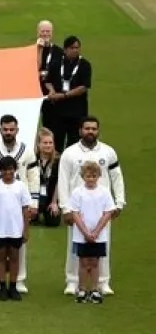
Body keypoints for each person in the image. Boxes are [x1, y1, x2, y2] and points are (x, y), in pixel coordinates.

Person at [57, 116, 125, 296]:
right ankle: (72, 281)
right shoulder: (70, 153)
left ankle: (103, 282)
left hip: (102, 208)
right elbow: (62, 181)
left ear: (98, 131)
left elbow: (117, 177)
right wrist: (65, 208)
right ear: (80, 130)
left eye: (94, 129)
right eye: (87, 128)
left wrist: (119, 202)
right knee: (75, 245)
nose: (90, 132)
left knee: (102, 244)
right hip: (77, 208)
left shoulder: (108, 152)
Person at [0, 114, 40, 294]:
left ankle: (18, 281)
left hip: (20, 201)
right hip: (0, 203)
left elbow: (34, 177)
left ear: (17, 130)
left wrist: (34, 203)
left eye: (12, 129)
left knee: (19, 246)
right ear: (0, 130)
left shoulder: (27, 151)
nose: (9, 132)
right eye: (5, 129)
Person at [0, 156, 32, 302]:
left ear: (15, 169)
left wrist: (26, 230)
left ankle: (13, 286)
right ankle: (2, 287)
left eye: (10, 169)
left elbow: (25, 209)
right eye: (4, 170)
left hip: (16, 229)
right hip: (0, 229)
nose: (7, 173)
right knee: (0, 256)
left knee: (14, 257)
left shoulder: (21, 186)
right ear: (0, 171)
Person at [67, 161, 116, 304]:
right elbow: (75, 213)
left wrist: (96, 232)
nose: (91, 179)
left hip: (98, 236)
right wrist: (85, 233)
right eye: (88, 176)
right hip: (81, 235)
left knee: (95, 262)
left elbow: (108, 213)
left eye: (94, 176)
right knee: (83, 262)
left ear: (99, 176)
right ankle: (82, 289)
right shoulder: (77, 192)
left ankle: (94, 290)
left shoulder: (104, 192)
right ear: (83, 176)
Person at [44, 36, 91, 152]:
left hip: (76, 111)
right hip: (57, 112)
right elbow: (48, 81)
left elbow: (83, 87)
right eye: (72, 48)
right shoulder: (56, 63)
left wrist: (64, 95)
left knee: (74, 143)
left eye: (77, 48)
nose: (75, 50)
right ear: (65, 49)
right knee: (56, 142)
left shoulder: (84, 65)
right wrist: (52, 91)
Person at [36, 20, 62, 130]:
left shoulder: (58, 51)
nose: (45, 34)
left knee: (50, 123)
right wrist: (40, 49)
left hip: (50, 92)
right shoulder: (33, 50)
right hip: (35, 90)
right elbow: (35, 67)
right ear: (38, 32)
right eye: (43, 31)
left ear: (52, 33)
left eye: (48, 31)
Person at [34, 128, 61, 227]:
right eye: (45, 143)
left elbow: (59, 182)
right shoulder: (32, 159)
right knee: (31, 219)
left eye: (50, 143)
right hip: (35, 197)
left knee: (53, 222)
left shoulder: (59, 160)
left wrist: (54, 202)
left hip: (51, 197)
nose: (48, 145)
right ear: (38, 144)